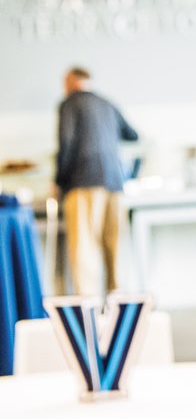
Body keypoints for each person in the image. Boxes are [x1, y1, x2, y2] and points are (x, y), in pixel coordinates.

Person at [54, 66, 138, 294]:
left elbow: (67, 143)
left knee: (84, 248)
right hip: (114, 182)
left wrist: (59, 181)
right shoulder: (107, 103)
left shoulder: (69, 104)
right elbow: (133, 135)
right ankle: (118, 306)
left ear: (72, 81)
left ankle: (87, 307)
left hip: (83, 183)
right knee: (114, 247)